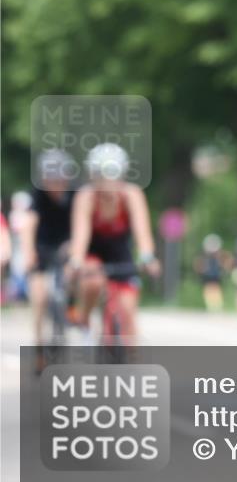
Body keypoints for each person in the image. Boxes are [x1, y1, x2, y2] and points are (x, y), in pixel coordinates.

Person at [66, 143, 161, 344]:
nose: (109, 182)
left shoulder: (132, 195)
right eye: (102, 176)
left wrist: (147, 257)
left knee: (128, 310)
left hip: (120, 252)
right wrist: (75, 261)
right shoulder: (86, 197)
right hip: (93, 251)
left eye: (113, 175)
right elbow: (81, 235)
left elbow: (142, 232)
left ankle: (129, 362)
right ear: (93, 176)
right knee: (92, 281)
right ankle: (84, 319)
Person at [21, 149, 77, 370]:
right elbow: (29, 224)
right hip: (41, 248)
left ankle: (72, 310)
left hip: (67, 246)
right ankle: (39, 351)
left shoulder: (75, 193)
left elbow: (81, 223)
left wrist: (74, 247)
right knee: (39, 297)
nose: (55, 184)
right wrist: (28, 253)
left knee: (75, 278)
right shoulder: (38, 194)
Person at [195, 233, 230, 312]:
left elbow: (226, 262)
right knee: (209, 289)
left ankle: (216, 305)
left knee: (215, 289)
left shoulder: (219, 255)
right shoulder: (205, 256)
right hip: (209, 274)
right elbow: (199, 264)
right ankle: (212, 305)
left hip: (215, 274)